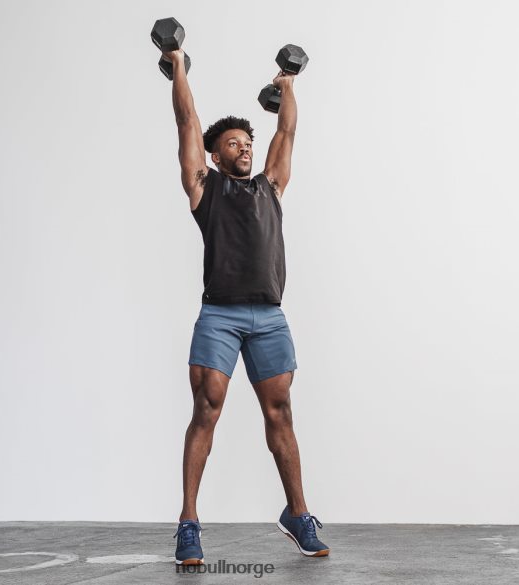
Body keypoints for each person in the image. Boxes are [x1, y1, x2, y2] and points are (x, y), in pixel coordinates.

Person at [161, 46, 330, 565]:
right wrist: (179, 66)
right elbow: (187, 121)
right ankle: (188, 523)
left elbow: (287, 132)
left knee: (281, 412)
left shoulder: (270, 187)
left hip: (269, 317)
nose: (244, 148)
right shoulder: (204, 188)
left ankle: (298, 514)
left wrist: (288, 87)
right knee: (206, 409)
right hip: (220, 315)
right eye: (233, 143)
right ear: (215, 156)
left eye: (247, 142)